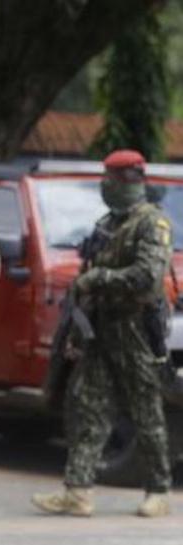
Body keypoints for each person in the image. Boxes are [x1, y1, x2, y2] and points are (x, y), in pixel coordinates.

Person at [32, 149, 173, 518]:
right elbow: (87, 270)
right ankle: (78, 491)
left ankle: (158, 489)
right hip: (99, 328)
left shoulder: (151, 223)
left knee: (145, 409)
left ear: (128, 181)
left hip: (134, 328)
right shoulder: (107, 222)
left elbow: (148, 278)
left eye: (109, 179)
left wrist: (99, 279)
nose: (104, 186)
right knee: (86, 406)